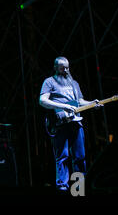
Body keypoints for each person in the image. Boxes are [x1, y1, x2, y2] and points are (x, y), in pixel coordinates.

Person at [39, 57, 101, 191]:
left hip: (76, 122)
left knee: (80, 156)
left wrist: (92, 104)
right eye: (62, 68)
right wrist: (63, 106)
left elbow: (80, 101)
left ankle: (79, 188)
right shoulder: (50, 82)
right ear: (56, 67)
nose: (66, 70)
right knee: (62, 156)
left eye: (67, 67)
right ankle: (62, 186)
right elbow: (42, 100)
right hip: (60, 123)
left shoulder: (74, 83)